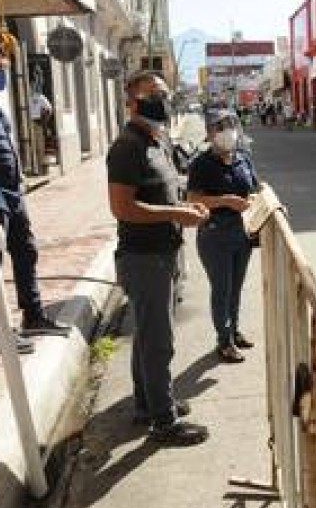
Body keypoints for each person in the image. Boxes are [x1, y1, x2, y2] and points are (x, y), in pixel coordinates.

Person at [107, 70, 210, 446]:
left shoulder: (158, 140)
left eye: (164, 93)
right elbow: (122, 207)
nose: (162, 100)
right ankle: (163, 422)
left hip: (164, 253)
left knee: (147, 336)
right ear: (132, 100)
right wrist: (174, 215)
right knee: (158, 341)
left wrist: (187, 209)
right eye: (153, 93)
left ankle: (147, 403)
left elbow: (166, 195)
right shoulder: (127, 146)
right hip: (143, 257)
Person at [0, 44, 62, 355]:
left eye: (3, 68)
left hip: (12, 194)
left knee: (26, 251)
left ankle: (33, 314)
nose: (0, 74)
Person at [187, 109, 259, 363]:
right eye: (220, 127)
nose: (227, 132)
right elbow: (194, 199)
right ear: (209, 133)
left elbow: (255, 189)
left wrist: (267, 203)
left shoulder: (243, 159)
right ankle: (224, 341)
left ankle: (234, 330)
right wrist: (225, 201)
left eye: (230, 125)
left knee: (236, 287)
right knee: (222, 289)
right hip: (214, 236)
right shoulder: (201, 164)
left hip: (242, 233)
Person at [29, 89, 52, 174]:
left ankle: (42, 169)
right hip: (26, 123)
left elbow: (49, 109)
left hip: (37, 123)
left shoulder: (39, 97)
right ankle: (34, 169)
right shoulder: (25, 96)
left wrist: (44, 122)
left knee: (39, 147)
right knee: (31, 147)